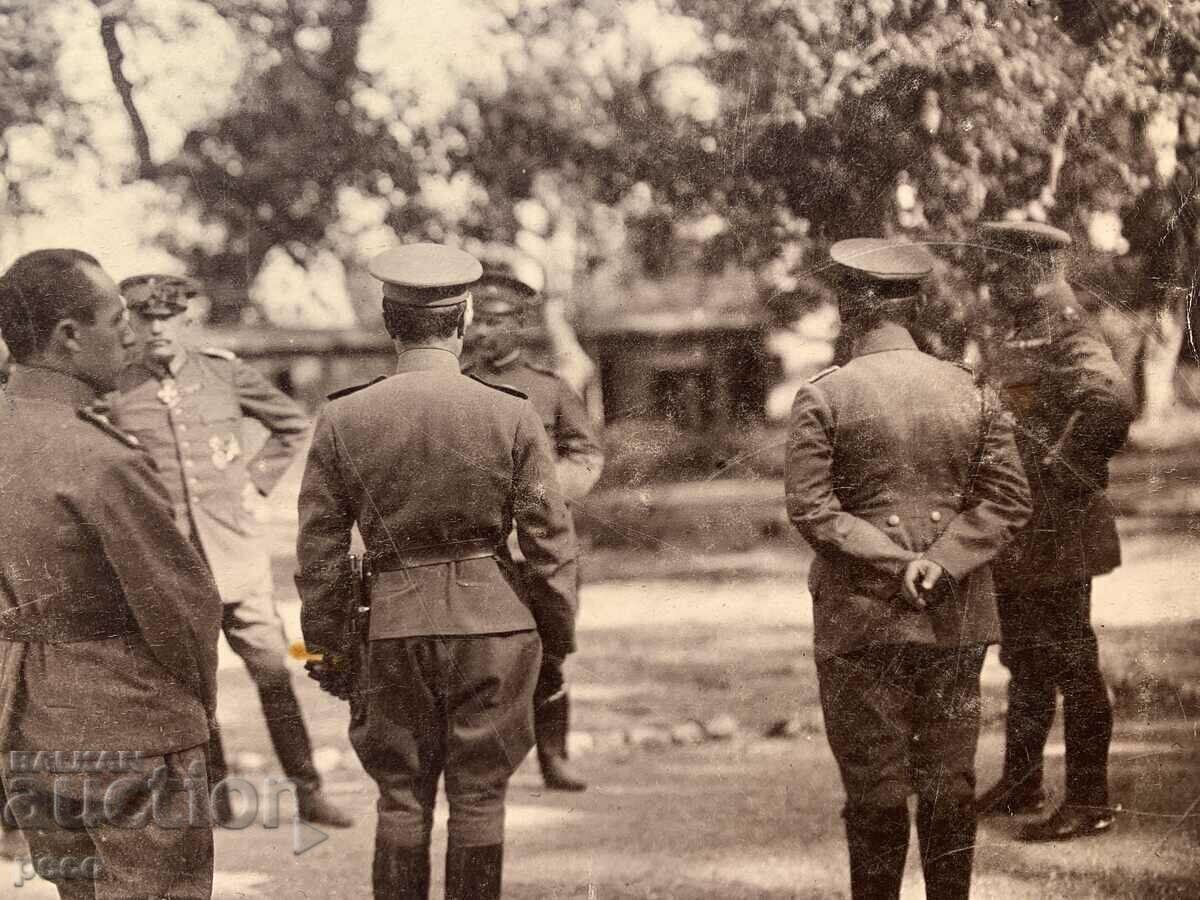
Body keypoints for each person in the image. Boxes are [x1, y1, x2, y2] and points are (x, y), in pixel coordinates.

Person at [295, 243, 578, 899]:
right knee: (480, 797)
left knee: (400, 798)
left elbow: (318, 553)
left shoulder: (343, 416)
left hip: (390, 624)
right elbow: (549, 541)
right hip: (494, 625)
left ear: (390, 320)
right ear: (463, 318)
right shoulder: (511, 412)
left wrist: (330, 647)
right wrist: (556, 638)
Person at [786, 238, 1031, 899]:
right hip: (952, 614)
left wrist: (895, 563)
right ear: (915, 305)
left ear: (849, 305)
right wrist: (941, 563)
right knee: (950, 779)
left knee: (874, 785)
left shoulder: (825, 396)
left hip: (862, 620)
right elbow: (1009, 498)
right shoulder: (971, 389)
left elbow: (811, 509)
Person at [0, 249, 222, 898]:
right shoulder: (102, 460)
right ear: (69, 337)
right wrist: (193, 711)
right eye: (115, 318)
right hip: (128, 723)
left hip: (26, 720)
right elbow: (183, 609)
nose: (130, 334)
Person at [106, 273, 351, 829]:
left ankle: (308, 790)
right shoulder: (116, 387)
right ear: (131, 323)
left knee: (273, 671)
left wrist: (255, 481)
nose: (158, 328)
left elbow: (291, 424)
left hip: (237, 555)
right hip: (170, 563)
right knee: (194, 684)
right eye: (145, 318)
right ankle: (216, 797)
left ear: (187, 320)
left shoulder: (222, 372)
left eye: (168, 317)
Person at [974, 221, 1135, 841]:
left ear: (1034, 267)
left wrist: (1061, 472)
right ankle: (1022, 783)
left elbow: (1110, 402)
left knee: (1071, 660)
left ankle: (1090, 799)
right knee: (1027, 660)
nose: (993, 279)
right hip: (1024, 529)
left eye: (1002, 267)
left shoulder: (1067, 327)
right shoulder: (1024, 328)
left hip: (1058, 528)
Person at [463, 260, 604, 792]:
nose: (484, 330)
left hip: (541, 546)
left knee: (552, 649)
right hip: (479, 546)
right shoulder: (455, 386)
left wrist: (539, 496)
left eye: (498, 320)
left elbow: (586, 456)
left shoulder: (549, 390)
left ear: (520, 325)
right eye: (477, 320)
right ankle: (488, 762)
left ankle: (554, 754)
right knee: (483, 656)